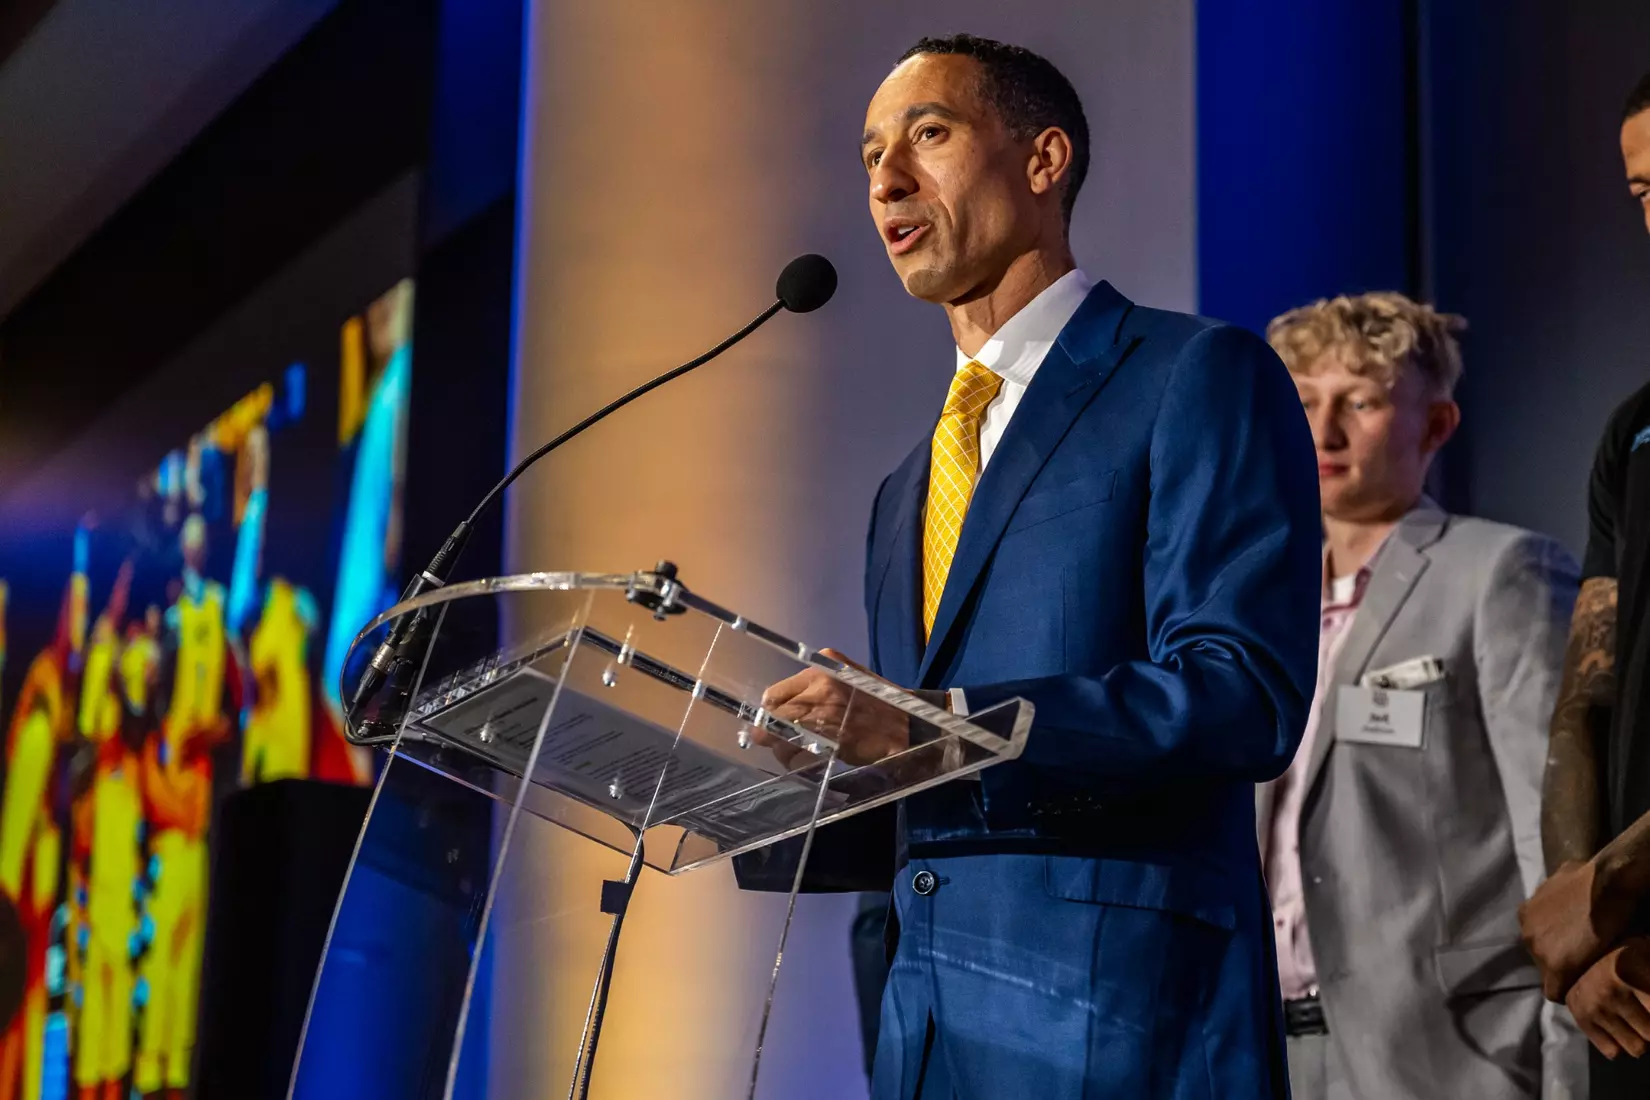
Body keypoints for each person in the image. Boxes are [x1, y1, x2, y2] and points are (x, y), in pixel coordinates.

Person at [751, 34, 1320, 1097]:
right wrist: (821, 764)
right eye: (870, 154)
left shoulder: (1193, 375)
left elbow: (1242, 695)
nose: (886, 180)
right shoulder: (904, 491)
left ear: (1044, 160)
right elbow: (923, 780)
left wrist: (932, 726)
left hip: (1127, 1024)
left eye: (928, 134)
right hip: (930, 1036)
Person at [1259, 292, 1583, 1098]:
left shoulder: (1499, 574)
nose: (1324, 432)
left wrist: (1569, 1072)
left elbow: (1557, 840)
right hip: (1269, 1052)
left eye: (1361, 402)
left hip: (1452, 1059)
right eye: (1305, 401)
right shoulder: (1258, 605)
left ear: (1436, 426)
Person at [1521, 69, 1650, 1098]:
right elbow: (1586, 695)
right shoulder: (1633, 425)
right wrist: (1582, 913)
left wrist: (1605, 888)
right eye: (1645, 192)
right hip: (1626, 981)